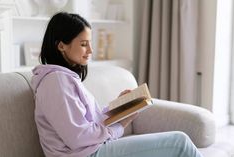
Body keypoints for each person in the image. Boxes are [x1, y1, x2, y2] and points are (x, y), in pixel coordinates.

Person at [31, 12, 204, 157]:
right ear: (61, 46)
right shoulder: (56, 82)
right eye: (84, 44)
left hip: (91, 150)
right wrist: (119, 126)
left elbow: (87, 124)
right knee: (179, 142)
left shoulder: (64, 79)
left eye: (90, 43)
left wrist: (117, 110)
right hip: (87, 154)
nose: (90, 51)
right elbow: (78, 138)